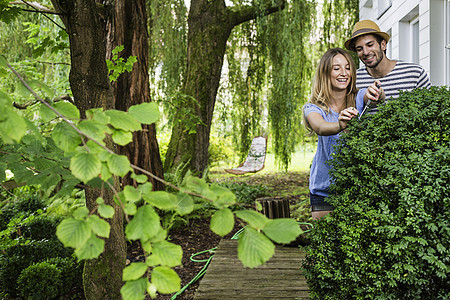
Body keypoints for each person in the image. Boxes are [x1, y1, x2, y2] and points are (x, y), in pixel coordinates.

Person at [303, 48, 366, 220]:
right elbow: (321, 127)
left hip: (357, 189)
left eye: (347, 67)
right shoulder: (314, 108)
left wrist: (379, 93)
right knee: (326, 244)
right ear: (325, 72)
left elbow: (373, 96)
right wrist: (339, 124)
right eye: (336, 68)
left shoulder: (359, 98)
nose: (344, 73)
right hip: (324, 190)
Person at [345, 19, 431, 114]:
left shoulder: (415, 73)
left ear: (383, 45)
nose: (365, 52)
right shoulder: (353, 79)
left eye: (370, 45)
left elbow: (431, 112)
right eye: (359, 49)